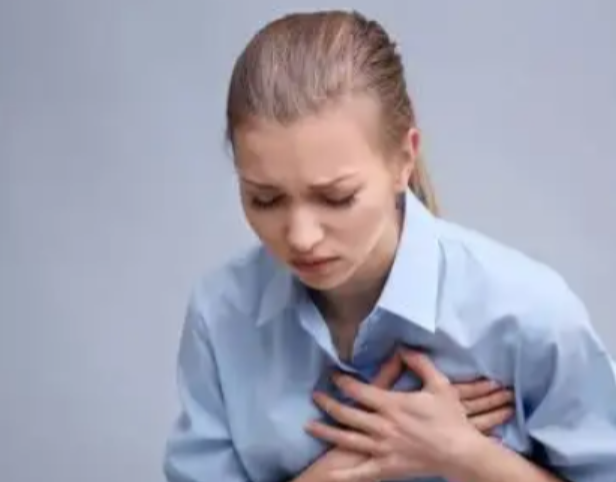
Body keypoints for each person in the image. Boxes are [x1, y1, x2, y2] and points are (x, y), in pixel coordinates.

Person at [163, 9, 616, 482]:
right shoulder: (220, 314)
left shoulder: (529, 315)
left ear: (404, 159)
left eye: (336, 198)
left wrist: (467, 456)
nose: (301, 236)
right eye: (265, 199)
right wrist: (338, 470)